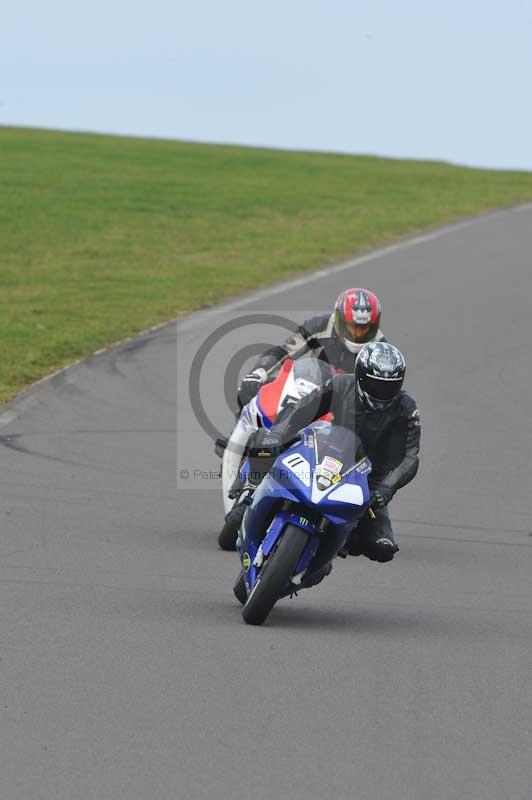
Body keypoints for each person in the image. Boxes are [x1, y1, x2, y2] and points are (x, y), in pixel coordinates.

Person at [245, 342, 421, 563]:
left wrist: (387, 487)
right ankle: (249, 493)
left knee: (382, 549)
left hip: (369, 480)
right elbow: (302, 409)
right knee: (264, 444)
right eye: (375, 386)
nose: (382, 394)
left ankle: (320, 558)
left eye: (388, 387)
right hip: (328, 453)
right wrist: (277, 436)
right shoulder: (340, 385)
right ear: (360, 377)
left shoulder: (407, 408)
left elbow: (410, 456)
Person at [237, 288, 386, 409]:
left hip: (348, 405)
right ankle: (240, 439)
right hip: (309, 390)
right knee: (251, 392)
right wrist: (258, 372)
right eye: (352, 328)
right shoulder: (319, 326)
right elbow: (284, 351)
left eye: (363, 329)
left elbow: (385, 391)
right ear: (340, 321)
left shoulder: (382, 350)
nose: (356, 334)